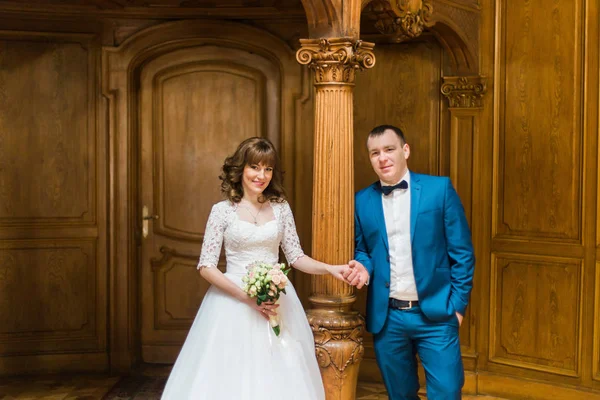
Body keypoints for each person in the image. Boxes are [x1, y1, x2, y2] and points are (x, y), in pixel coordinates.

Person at [161, 137, 348, 400]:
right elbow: (206, 266)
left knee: (280, 370)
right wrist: (246, 297)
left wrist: (331, 268)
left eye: (268, 169)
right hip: (231, 302)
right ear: (240, 169)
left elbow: (296, 256)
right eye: (255, 167)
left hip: (275, 301)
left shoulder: (281, 209)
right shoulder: (222, 211)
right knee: (229, 374)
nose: (262, 175)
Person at [344, 125, 475, 400]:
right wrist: (363, 266)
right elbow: (364, 250)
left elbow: (462, 253)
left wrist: (458, 308)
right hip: (388, 317)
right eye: (375, 153)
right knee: (400, 395)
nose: (382, 158)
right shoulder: (361, 201)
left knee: (447, 393)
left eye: (389, 149)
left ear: (405, 150)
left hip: (437, 315)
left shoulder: (439, 190)